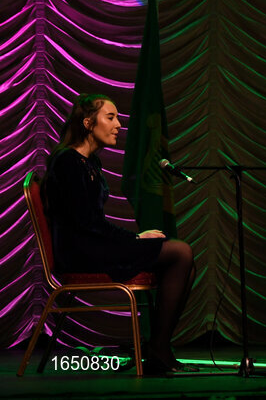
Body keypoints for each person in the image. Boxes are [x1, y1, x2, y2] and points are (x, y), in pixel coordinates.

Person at [43, 93, 195, 374]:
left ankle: (158, 348)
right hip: (82, 251)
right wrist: (135, 239)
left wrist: (135, 239)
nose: (118, 124)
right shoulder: (67, 162)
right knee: (180, 252)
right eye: (110, 117)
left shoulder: (91, 163)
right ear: (88, 123)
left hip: (94, 244)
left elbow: (93, 223)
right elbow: (86, 225)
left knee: (183, 258)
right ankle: (158, 349)